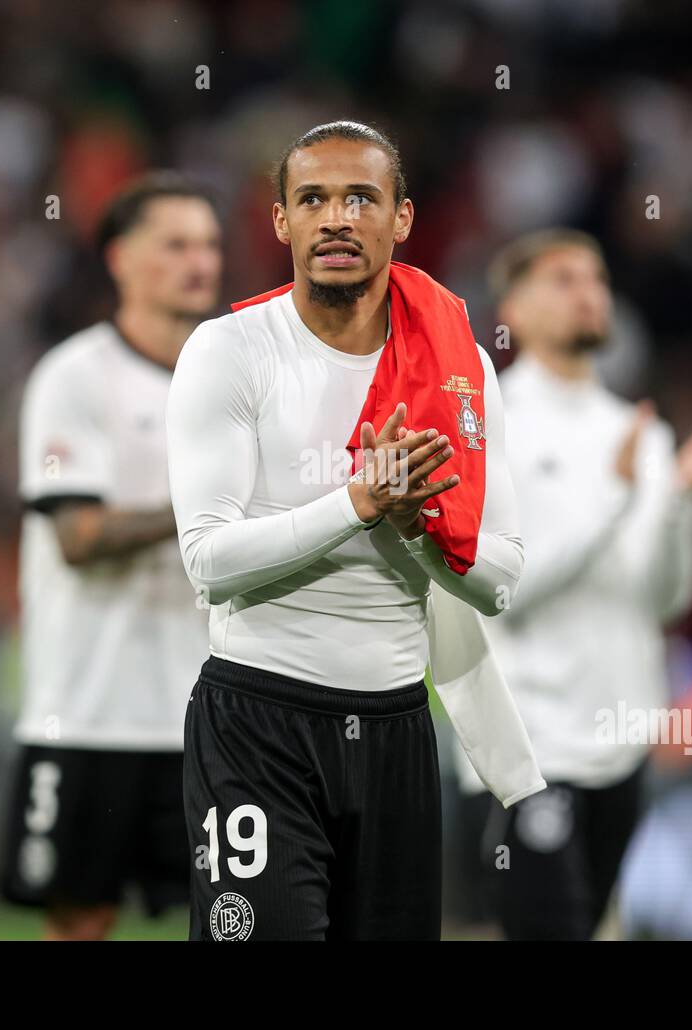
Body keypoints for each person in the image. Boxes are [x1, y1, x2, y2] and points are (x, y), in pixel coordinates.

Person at [165, 121, 526, 941]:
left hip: (398, 731)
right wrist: (357, 504)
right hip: (258, 722)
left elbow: (499, 579)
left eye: (361, 197)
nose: (336, 218)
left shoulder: (461, 368)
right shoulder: (229, 352)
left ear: (401, 219)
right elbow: (209, 562)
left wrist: (414, 528)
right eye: (313, 199)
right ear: (280, 222)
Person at [462, 229, 692, 940]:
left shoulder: (640, 432)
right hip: (529, 747)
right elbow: (504, 590)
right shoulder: (492, 423)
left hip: (621, 741)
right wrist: (611, 503)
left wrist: (680, 500)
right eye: (562, 278)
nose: (588, 291)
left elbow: (665, 599)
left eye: (596, 277)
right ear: (514, 310)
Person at [0, 173, 222, 940]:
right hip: (90, 709)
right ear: (122, 259)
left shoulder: (232, 381)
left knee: (235, 916)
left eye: (210, 245)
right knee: (82, 919)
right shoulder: (75, 376)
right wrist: (207, 517)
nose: (201, 262)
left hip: (209, 715)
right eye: (177, 244)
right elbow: (79, 538)